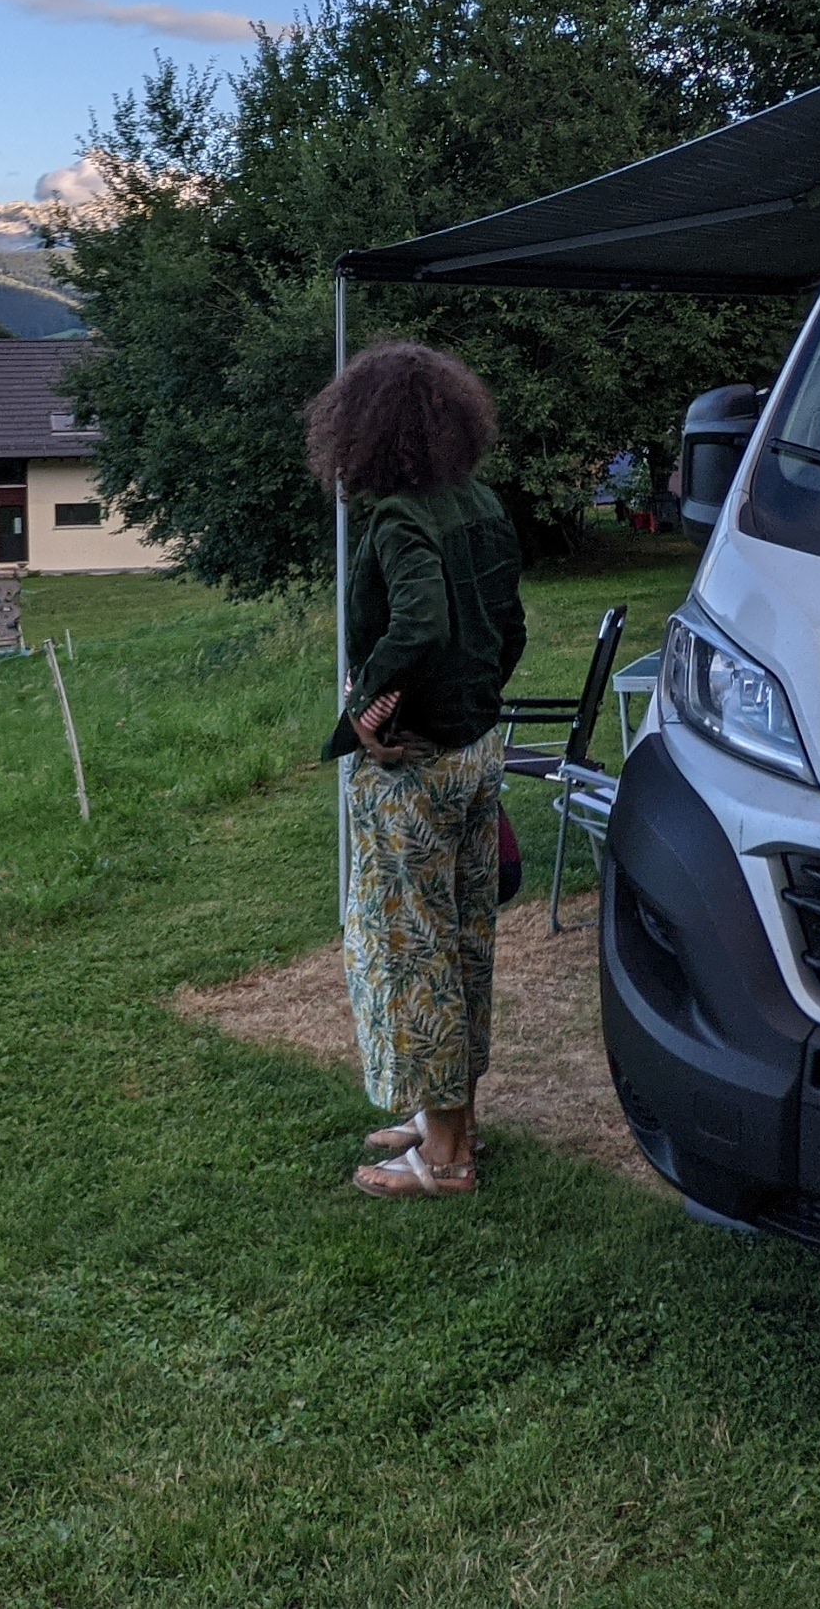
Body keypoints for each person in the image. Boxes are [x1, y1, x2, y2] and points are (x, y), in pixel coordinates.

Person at [308, 342, 526, 1200]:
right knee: (464, 940)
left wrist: (368, 711)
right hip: (475, 751)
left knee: (412, 952)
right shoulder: (480, 503)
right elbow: (508, 629)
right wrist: (473, 697)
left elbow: (421, 623)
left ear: (365, 431)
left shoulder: (400, 518)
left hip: (417, 769)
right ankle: (452, 1120)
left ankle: (443, 1158)